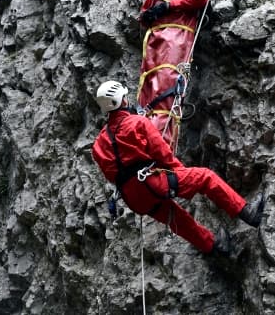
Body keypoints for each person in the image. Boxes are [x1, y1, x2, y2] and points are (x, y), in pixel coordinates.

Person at [91, 80, 265, 256]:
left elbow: (110, 174)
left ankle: (216, 246)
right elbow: (162, 154)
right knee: (205, 177)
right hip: (151, 183)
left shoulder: (98, 143)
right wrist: (182, 175)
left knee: (175, 218)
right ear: (122, 101)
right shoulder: (137, 123)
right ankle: (249, 213)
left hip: (134, 199)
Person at [136, 0, 210, 146]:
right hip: (154, 39)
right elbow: (144, 12)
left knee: (168, 81)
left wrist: (170, 6)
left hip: (177, 35)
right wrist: (147, 15)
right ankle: (145, 135)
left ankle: (160, 141)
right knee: (149, 85)